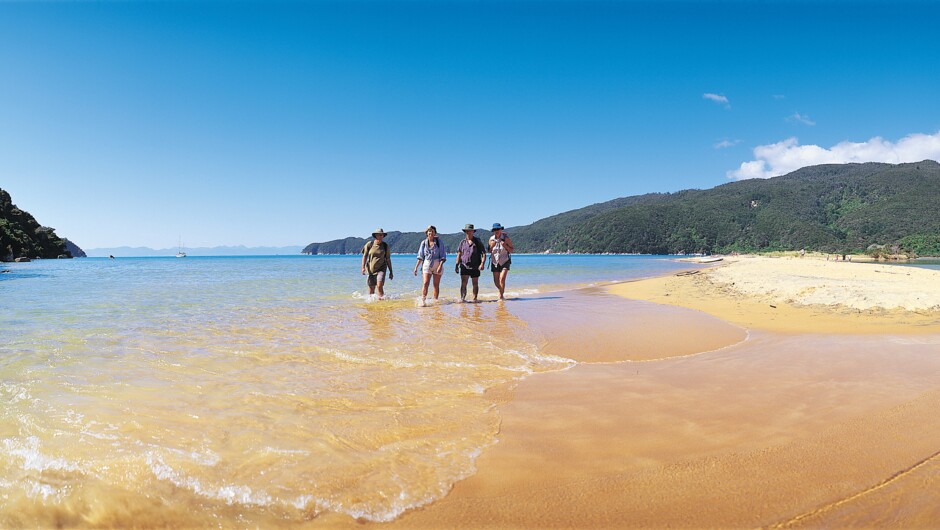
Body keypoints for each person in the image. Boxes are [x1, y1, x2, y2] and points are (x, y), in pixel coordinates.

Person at [413, 225, 446, 305]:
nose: (431, 232)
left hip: (437, 264)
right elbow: (420, 256)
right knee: (425, 283)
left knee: (436, 285)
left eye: (432, 231)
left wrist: (440, 266)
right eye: (429, 231)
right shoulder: (423, 243)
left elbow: (443, 256)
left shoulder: (439, 242)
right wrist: (416, 268)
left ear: (435, 233)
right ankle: (423, 301)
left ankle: (435, 301)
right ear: (427, 233)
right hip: (427, 264)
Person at [454, 223, 487, 302]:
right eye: (467, 231)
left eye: (470, 231)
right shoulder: (462, 242)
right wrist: (456, 265)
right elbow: (459, 254)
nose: (468, 232)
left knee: (475, 283)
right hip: (464, 265)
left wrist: (482, 264)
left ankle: (475, 299)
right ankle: (462, 299)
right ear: (465, 232)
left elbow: (483, 253)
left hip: (475, 266)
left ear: (473, 232)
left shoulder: (477, 241)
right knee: (463, 283)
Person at [361, 228, 393, 299]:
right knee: (371, 289)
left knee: (379, 285)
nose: (381, 236)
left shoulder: (385, 246)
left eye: (382, 235)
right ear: (376, 235)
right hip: (371, 269)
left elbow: (388, 259)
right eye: (379, 235)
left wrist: (391, 271)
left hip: (381, 268)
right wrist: (363, 267)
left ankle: (381, 302)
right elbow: (365, 256)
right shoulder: (369, 244)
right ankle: (372, 306)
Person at [488, 223, 514, 300]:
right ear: (493, 231)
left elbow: (512, 250)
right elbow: (488, 251)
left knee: (502, 279)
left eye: (498, 229)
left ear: (501, 230)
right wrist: (492, 246)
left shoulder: (506, 238)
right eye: (495, 229)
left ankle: (501, 297)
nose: (497, 231)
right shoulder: (491, 239)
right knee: (496, 282)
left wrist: (505, 246)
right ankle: (501, 291)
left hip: (505, 260)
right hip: (495, 261)